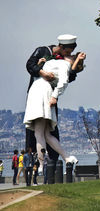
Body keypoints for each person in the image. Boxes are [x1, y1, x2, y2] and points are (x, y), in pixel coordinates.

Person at [23, 42, 86, 170]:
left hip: (42, 93)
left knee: (39, 133)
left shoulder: (62, 63)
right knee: (45, 133)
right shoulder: (43, 51)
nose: (67, 55)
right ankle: (65, 157)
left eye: (70, 55)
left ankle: (41, 165)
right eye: (68, 52)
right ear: (62, 48)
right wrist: (41, 69)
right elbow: (30, 65)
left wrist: (54, 95)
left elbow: (66, 79)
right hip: (43, 94)